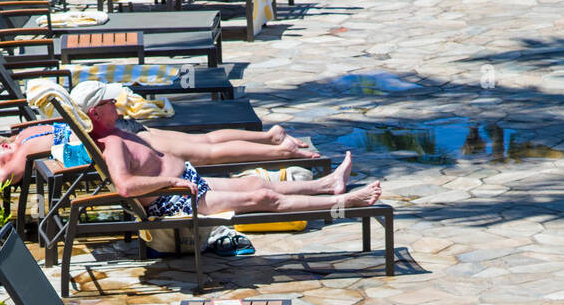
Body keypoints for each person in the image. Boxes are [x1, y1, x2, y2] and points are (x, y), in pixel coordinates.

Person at [82, 83, 382, 222]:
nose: (118, 107)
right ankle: (344, 203)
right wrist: (171, 183)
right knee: (265, 198)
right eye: (111, 104)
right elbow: (124, 187)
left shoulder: (114, 131)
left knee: (257, 183)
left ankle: (326, 185)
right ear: (95, 112)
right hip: (176, 200)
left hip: (187, 184)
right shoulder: (112, 145)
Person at [0, 80, 318, 187]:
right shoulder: (26, 137)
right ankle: (271, 141)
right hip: (114, 134)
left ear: (3, 145)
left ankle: (279, 149)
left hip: (117, 137)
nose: (0, 159)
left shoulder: (22, 148)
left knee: (204, 148)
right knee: (203, 143)